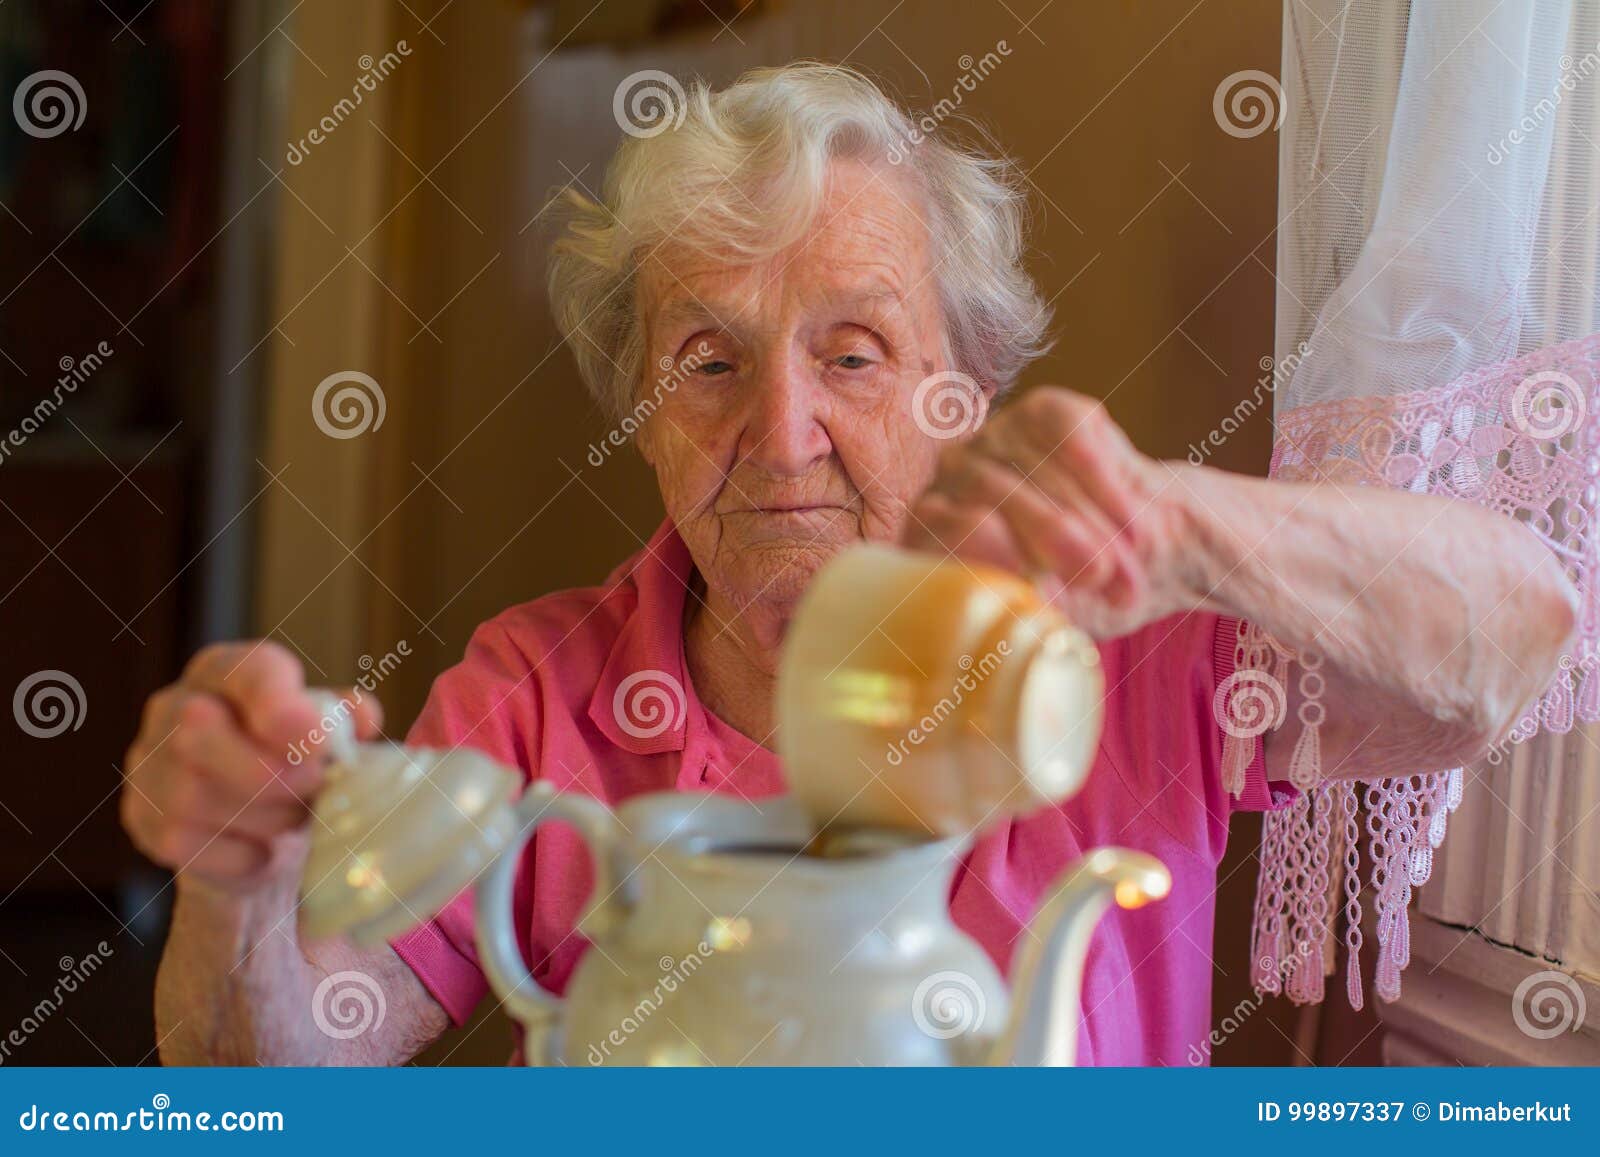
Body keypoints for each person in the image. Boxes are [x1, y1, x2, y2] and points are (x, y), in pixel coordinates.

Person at [120, 63, 1576, 1066]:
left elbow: (1522, 637)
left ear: (970, 386)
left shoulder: (1121, 653)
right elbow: (278, 1077)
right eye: (707, 361)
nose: (781, 430)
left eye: (855, 353)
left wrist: (1188, 519)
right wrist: (243, 875)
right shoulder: (539, 698)